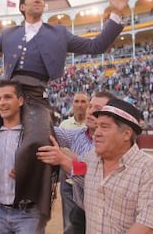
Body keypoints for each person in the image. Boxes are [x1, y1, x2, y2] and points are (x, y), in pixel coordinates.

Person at [0, 0, 133, 223]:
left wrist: (117, 12)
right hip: (8, 94)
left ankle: (35, 201)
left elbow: (96, 46)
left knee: (40, 142)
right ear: (22, 5)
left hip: (37, 98)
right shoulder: (9, 34)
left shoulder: (58, 33)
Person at [38, 98, 153, 234]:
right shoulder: (91, 160)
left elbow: (148, 227)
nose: (97, 133)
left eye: (105, 127)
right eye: (97, 127)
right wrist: (61, 158)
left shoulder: (150, 172)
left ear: (126, 134)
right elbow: (79, 169)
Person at [0, 79, 49, 233]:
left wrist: (30, 172)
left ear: (20, 101)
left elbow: (49, 167)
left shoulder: (35, 136)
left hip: (28, 212)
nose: (2, 103)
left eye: (7, 97)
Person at [54, 91, 115, 234]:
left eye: (97, 109)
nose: (90, 111)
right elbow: (51, 132)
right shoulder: (80, 134)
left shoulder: (113, 142)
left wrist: (64, 157)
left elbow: (94, 175)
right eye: (91, 106)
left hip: (105, 213)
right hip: (81, 207)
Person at [57, 91, 89, 233]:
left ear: (88, 105)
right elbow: (60, 150)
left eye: (83, 102)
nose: (80, 105)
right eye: (77, 101)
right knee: (70, 224)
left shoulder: (93, 124)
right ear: (72, 104)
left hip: (89, 184)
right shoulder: (65, 125)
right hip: (69, 182)